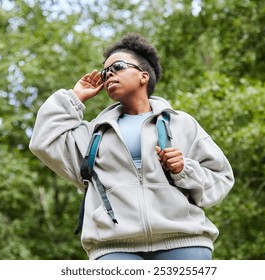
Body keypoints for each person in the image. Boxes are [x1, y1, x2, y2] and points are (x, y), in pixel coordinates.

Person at [29, 33, 234, 260]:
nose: (108, 75)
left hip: (184, 242)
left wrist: (184, 169)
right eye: (105, 72)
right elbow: (43, 141)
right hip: (113, 248)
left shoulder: (181, 123)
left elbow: (220, 176)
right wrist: (74, 97)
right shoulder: (92, 133)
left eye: (117, 67)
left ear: (143, 76)